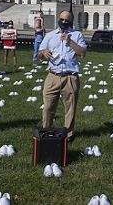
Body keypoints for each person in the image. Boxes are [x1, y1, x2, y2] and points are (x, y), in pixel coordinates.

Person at [37, 10, 87, 140]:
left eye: (67, 20)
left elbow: (82, 52)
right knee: (48, 107)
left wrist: (70, 42)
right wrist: (44, 52)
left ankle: (68, 135)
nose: (64, 22)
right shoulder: (50, 35)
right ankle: (46, 132)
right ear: (58, 19)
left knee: (70, 108)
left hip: (70, 76)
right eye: (62, 19)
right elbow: (39, 54)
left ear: (71, 22)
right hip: (53, 76)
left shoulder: (77, 35)